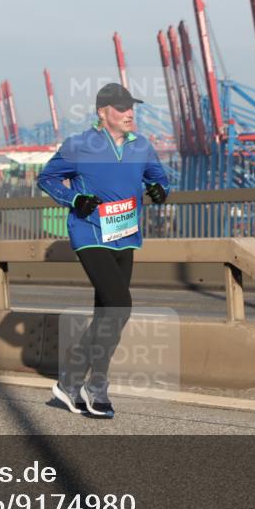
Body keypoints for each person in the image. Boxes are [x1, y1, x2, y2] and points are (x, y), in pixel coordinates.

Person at [38, 83, 170, 418]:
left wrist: (159, 189)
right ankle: (84, 384)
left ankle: (80, 385)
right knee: (121, 305)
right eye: (122, 108)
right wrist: (75, 198)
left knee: (107, 314)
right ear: (102, 113)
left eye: (131, 107)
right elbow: (47, 179)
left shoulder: (142, 146)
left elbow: (160, 178)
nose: (129, 113)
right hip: (90, 232)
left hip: (125, 235)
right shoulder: (79, 145)